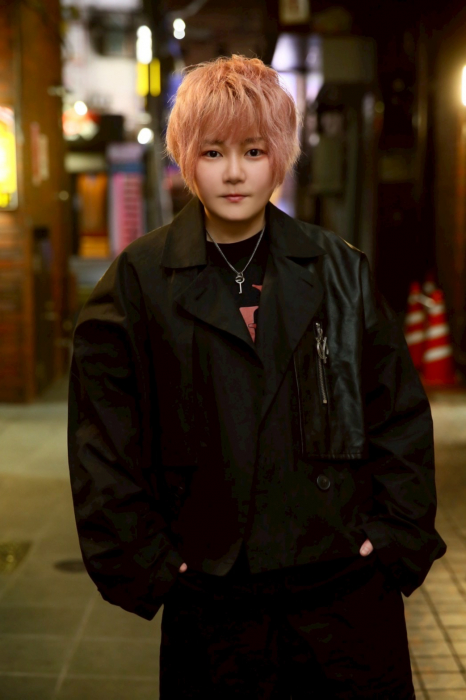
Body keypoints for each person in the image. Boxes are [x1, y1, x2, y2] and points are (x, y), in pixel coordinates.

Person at [68, 55, 447, 699]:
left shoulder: (339, 270)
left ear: (281, 156)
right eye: (213, 152)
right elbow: (102, 442)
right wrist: (151, 563)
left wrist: (393, 537)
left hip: (343, 592)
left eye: (253, 150)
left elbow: (399, 416)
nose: (235, 172)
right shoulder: (138, 282)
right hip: (213, 597)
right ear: (186, 158)